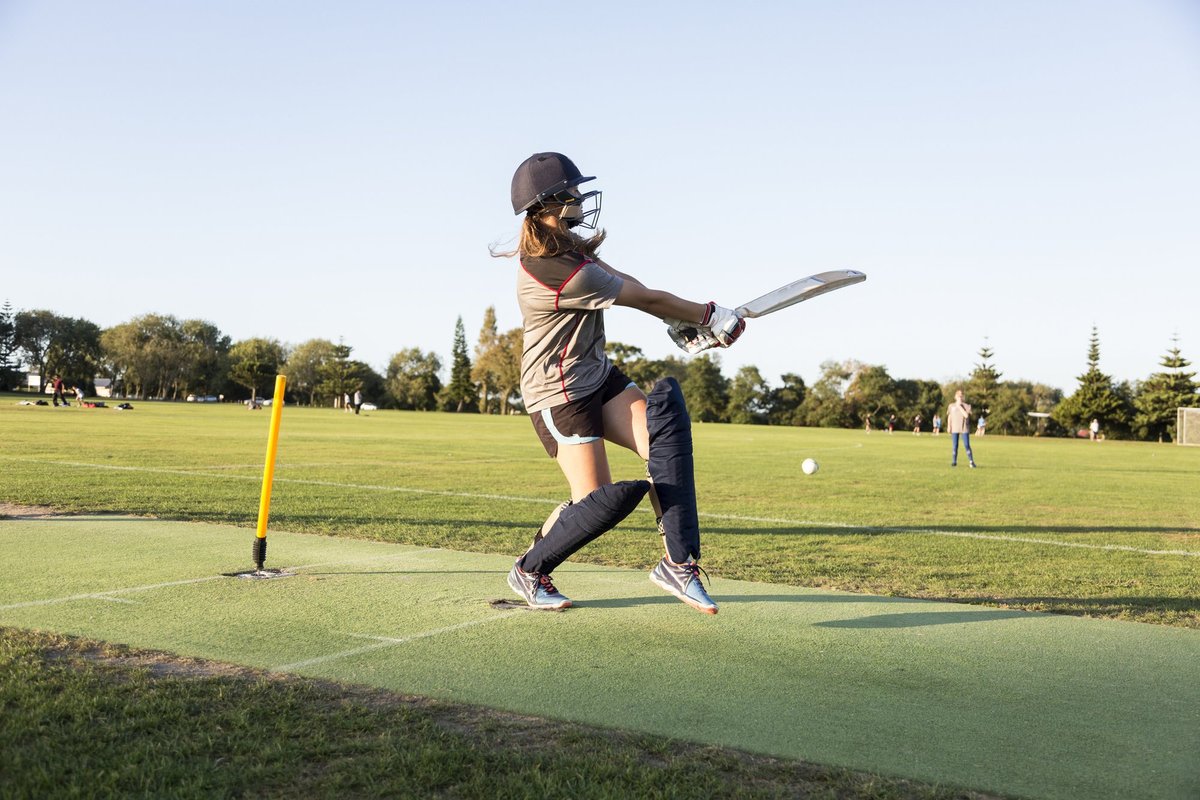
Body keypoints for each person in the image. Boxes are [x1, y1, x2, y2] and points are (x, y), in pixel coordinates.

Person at [493, 152, 746, 613]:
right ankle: (529, 570)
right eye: (573, 192)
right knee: (590, 504)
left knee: (664, 447)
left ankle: (677, 564)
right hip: (559, 394)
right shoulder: (557, 269)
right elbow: (644, 298)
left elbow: (633, 286)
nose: (581, 199)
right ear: (551, 201)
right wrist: (709, 315)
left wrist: (682, 321)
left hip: (599, 378)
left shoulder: (570, 251)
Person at [947, 389, 976, 468]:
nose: (960, 397)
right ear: (955, 396)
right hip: (955, 428)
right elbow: (949, 416)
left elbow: (966, 415)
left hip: (964, 428)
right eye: (958, 395)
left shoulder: (966, 406)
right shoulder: (951, 406)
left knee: (966, 445)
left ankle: (971, 461)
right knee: (955, 445)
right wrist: (949, 426)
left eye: (961, 395)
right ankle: (954, 461)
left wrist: (959, 406)